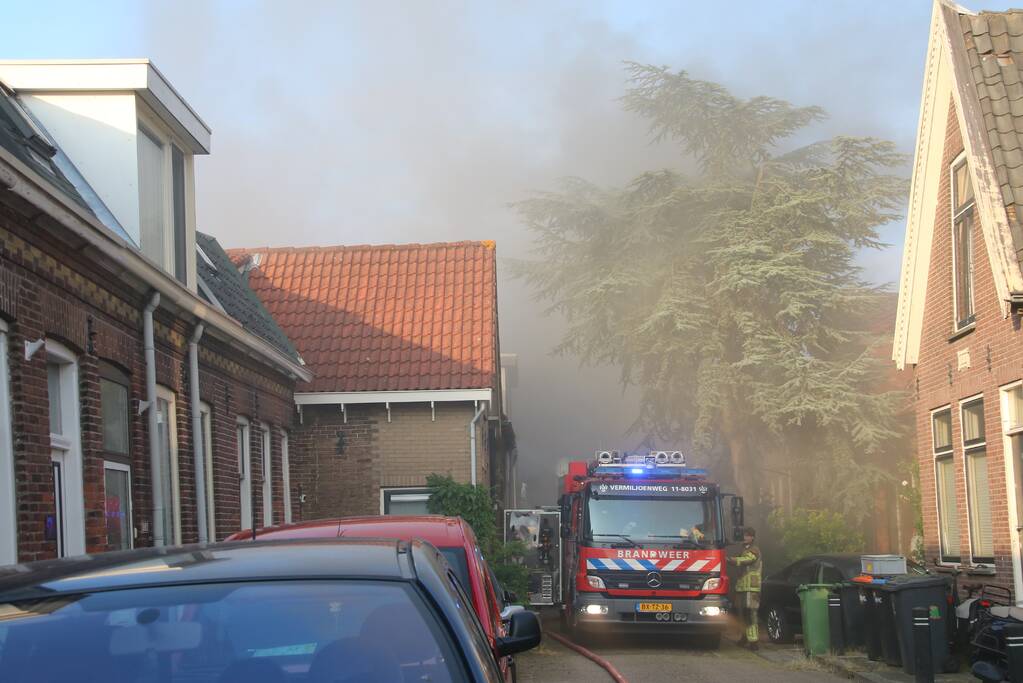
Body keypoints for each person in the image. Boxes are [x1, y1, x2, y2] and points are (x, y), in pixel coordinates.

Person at [728, 526, 762, 650]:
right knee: (742, 614)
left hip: (752, 588)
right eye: (744, 535)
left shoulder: (754, 550)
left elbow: (747, 560)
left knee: (751, 614)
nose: (745, 537)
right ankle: (745, 637)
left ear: (752, 537)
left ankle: (754, 642)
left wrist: (732, 560)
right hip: (742, 587)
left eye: (748, 535)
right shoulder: (744, 548)